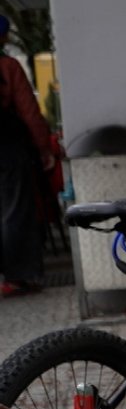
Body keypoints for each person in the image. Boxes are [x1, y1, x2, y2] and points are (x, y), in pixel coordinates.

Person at [0, 15, 59, 297]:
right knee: (15, 212)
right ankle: (19, 276)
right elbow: (28, 110)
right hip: (8, 149)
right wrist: (43, 148)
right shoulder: (8, 67)